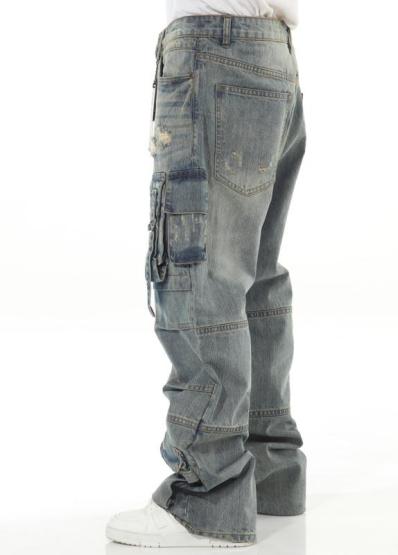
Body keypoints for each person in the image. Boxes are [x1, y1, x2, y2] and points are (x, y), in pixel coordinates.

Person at [106, 0, 306, 547]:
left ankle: (209, 494)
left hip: (214, 47)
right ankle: (267, 474)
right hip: (271, 52)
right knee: (254, 276)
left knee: (200, 274)